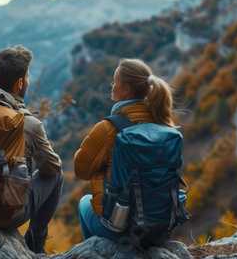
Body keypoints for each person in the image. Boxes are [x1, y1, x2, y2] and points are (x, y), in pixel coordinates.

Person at [74, 58, 176, 245]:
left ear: (127, 89)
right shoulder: (164, 126)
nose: (111, 85)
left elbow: (81, 170)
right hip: (159, 228)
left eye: (115, 81)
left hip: (119, 229)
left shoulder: (107, 128)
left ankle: (97, 252)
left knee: (84, 202)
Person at [0, 45, 63, 254]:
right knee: (58, 175)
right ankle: (36, 245)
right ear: (20, 83)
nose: (29, 79)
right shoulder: (28, 124)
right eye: (28, 75)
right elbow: (51, 168)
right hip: (3, 216)